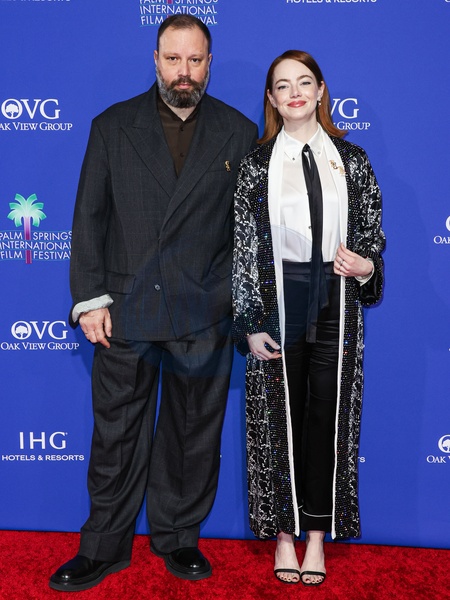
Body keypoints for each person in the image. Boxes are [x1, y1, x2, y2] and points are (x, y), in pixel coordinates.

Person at [49, 15, 257, 592]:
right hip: (125, 309)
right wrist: (90, 299)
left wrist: (229, 301)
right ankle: (101, 547)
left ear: (209, 64)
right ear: (156, 59)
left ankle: (179, 537)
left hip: (202, 311)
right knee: (115, 436)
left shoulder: (238, 132)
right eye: (173, 59)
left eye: (195, 60)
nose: (183, 71)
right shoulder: (112, 126)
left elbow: (248, 234)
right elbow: (89, 217)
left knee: (193, 435)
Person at [232, 50, 385, 586]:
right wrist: (250, 321)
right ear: (272, 99)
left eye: (304, 82)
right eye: (283, 85)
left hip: (336, 302)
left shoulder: (354, 160)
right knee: (279, 421)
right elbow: (243, 248)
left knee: (328, 418)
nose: (294, 93)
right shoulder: (255, 165)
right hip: (278, 301)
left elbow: (372, 239)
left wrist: (367, 266)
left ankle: (317, 536)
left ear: (321, 90)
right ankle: (283, 535)